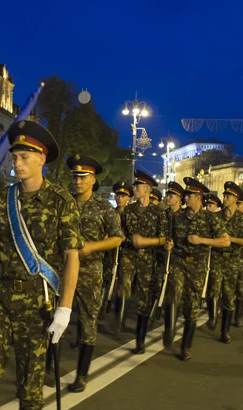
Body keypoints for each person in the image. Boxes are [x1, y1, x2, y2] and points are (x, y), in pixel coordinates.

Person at [0, 120, 82, 409]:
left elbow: (72, 256)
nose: (16, 164)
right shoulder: (3, 200)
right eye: (14, 157)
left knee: (29, 390)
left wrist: (65, 308)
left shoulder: (61, 201)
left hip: (37, 302)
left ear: (41, 159)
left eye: (24, 157)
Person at [64, 154, 122, 392]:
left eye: (83, 177)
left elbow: (117, 238)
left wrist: (92, 247)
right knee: (53, 316)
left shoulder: (103, 208)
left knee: (88, 321)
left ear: (93, 179)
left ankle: (82, 374)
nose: (78, 181)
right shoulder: (64, 203)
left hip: (90, 271)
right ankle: (46, 364)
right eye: (75, 177)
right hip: (63, 269)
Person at [164, 178, 229, 360]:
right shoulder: (177, 217)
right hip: (178, 261)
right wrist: (169, 244)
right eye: (186, 195)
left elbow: (225, 241)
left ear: (198, 197)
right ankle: (169, 329)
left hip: (197, 266)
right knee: (173, 293)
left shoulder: (210, 218)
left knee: (191, 306)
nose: (186, 198)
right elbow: (171, 238)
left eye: (190, 195)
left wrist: (203, 240)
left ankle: (186, 346)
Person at [117, 170, 166, 355]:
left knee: (144, 301)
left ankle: (140, 340)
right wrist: (120, 236)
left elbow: (164, 238)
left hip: (147, 259)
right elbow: (120, 230)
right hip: (129, 254)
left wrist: (147, 242)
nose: (134, 189)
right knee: (125, 281)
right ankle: (120, 308)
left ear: (146, 189)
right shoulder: (128, 210)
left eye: (137, 186)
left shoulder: (158, 212)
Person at [220, 182, 243, 334]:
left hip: (236, 261)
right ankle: (212, 316)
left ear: (235, 199)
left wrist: (231, 240)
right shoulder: (216, 217)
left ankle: (226, 329)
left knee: (233, 292)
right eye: (224, 195)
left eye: (228, 196)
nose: (224, 198)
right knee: (212, 292)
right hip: (216, 259)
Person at [102, 181, 131, 327]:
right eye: (118, 195)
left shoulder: (131, 214)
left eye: (123, 196)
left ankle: (120, 319)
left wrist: (125, 238)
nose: (120, 198)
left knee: (123, 285)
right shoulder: (110, 212)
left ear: (129, 199)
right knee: (104, 280)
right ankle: (101, 310)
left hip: (126, 253)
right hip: (110, 252)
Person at [161, 181, 184, 346]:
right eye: (167, 195)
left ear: (179, 199)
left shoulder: (184, 216)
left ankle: (170, 328)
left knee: (173, 293)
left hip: (177, 259)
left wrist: (175, 244)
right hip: (160, 257)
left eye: (172, 196)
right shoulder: (162, 214)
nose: (168, 198)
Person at [204, 192, 224, 330]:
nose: (208, 207)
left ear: (217, 206)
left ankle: (213, 316)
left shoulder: (219, 219)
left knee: (215, 287)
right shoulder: (204, 218)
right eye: (207, 205)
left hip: (217, 257)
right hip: (205, 256)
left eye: (211, 205)